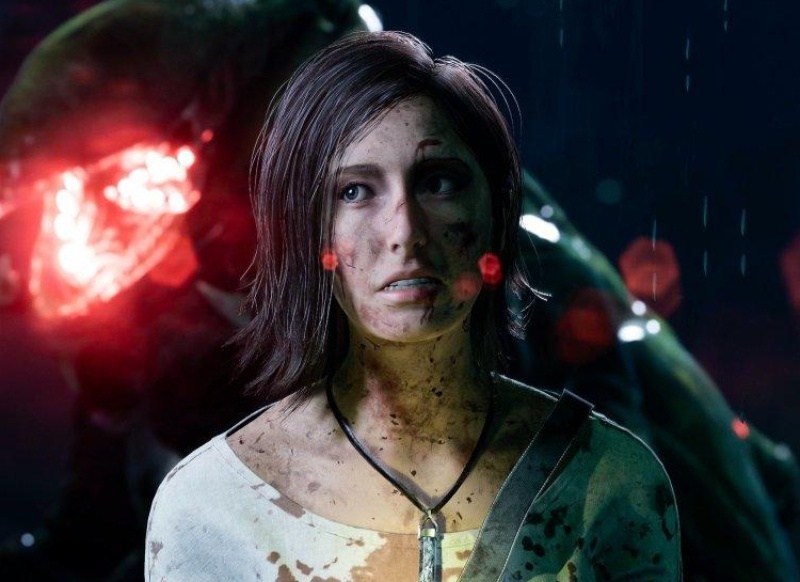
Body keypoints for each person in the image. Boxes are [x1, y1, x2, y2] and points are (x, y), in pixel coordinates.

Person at [145, 30, 681, 581]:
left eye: (438, 182)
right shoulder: (214, 507)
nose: (405, 230)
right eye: (354, 191)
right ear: (306, 229)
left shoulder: (608, 481)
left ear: (496, 211)